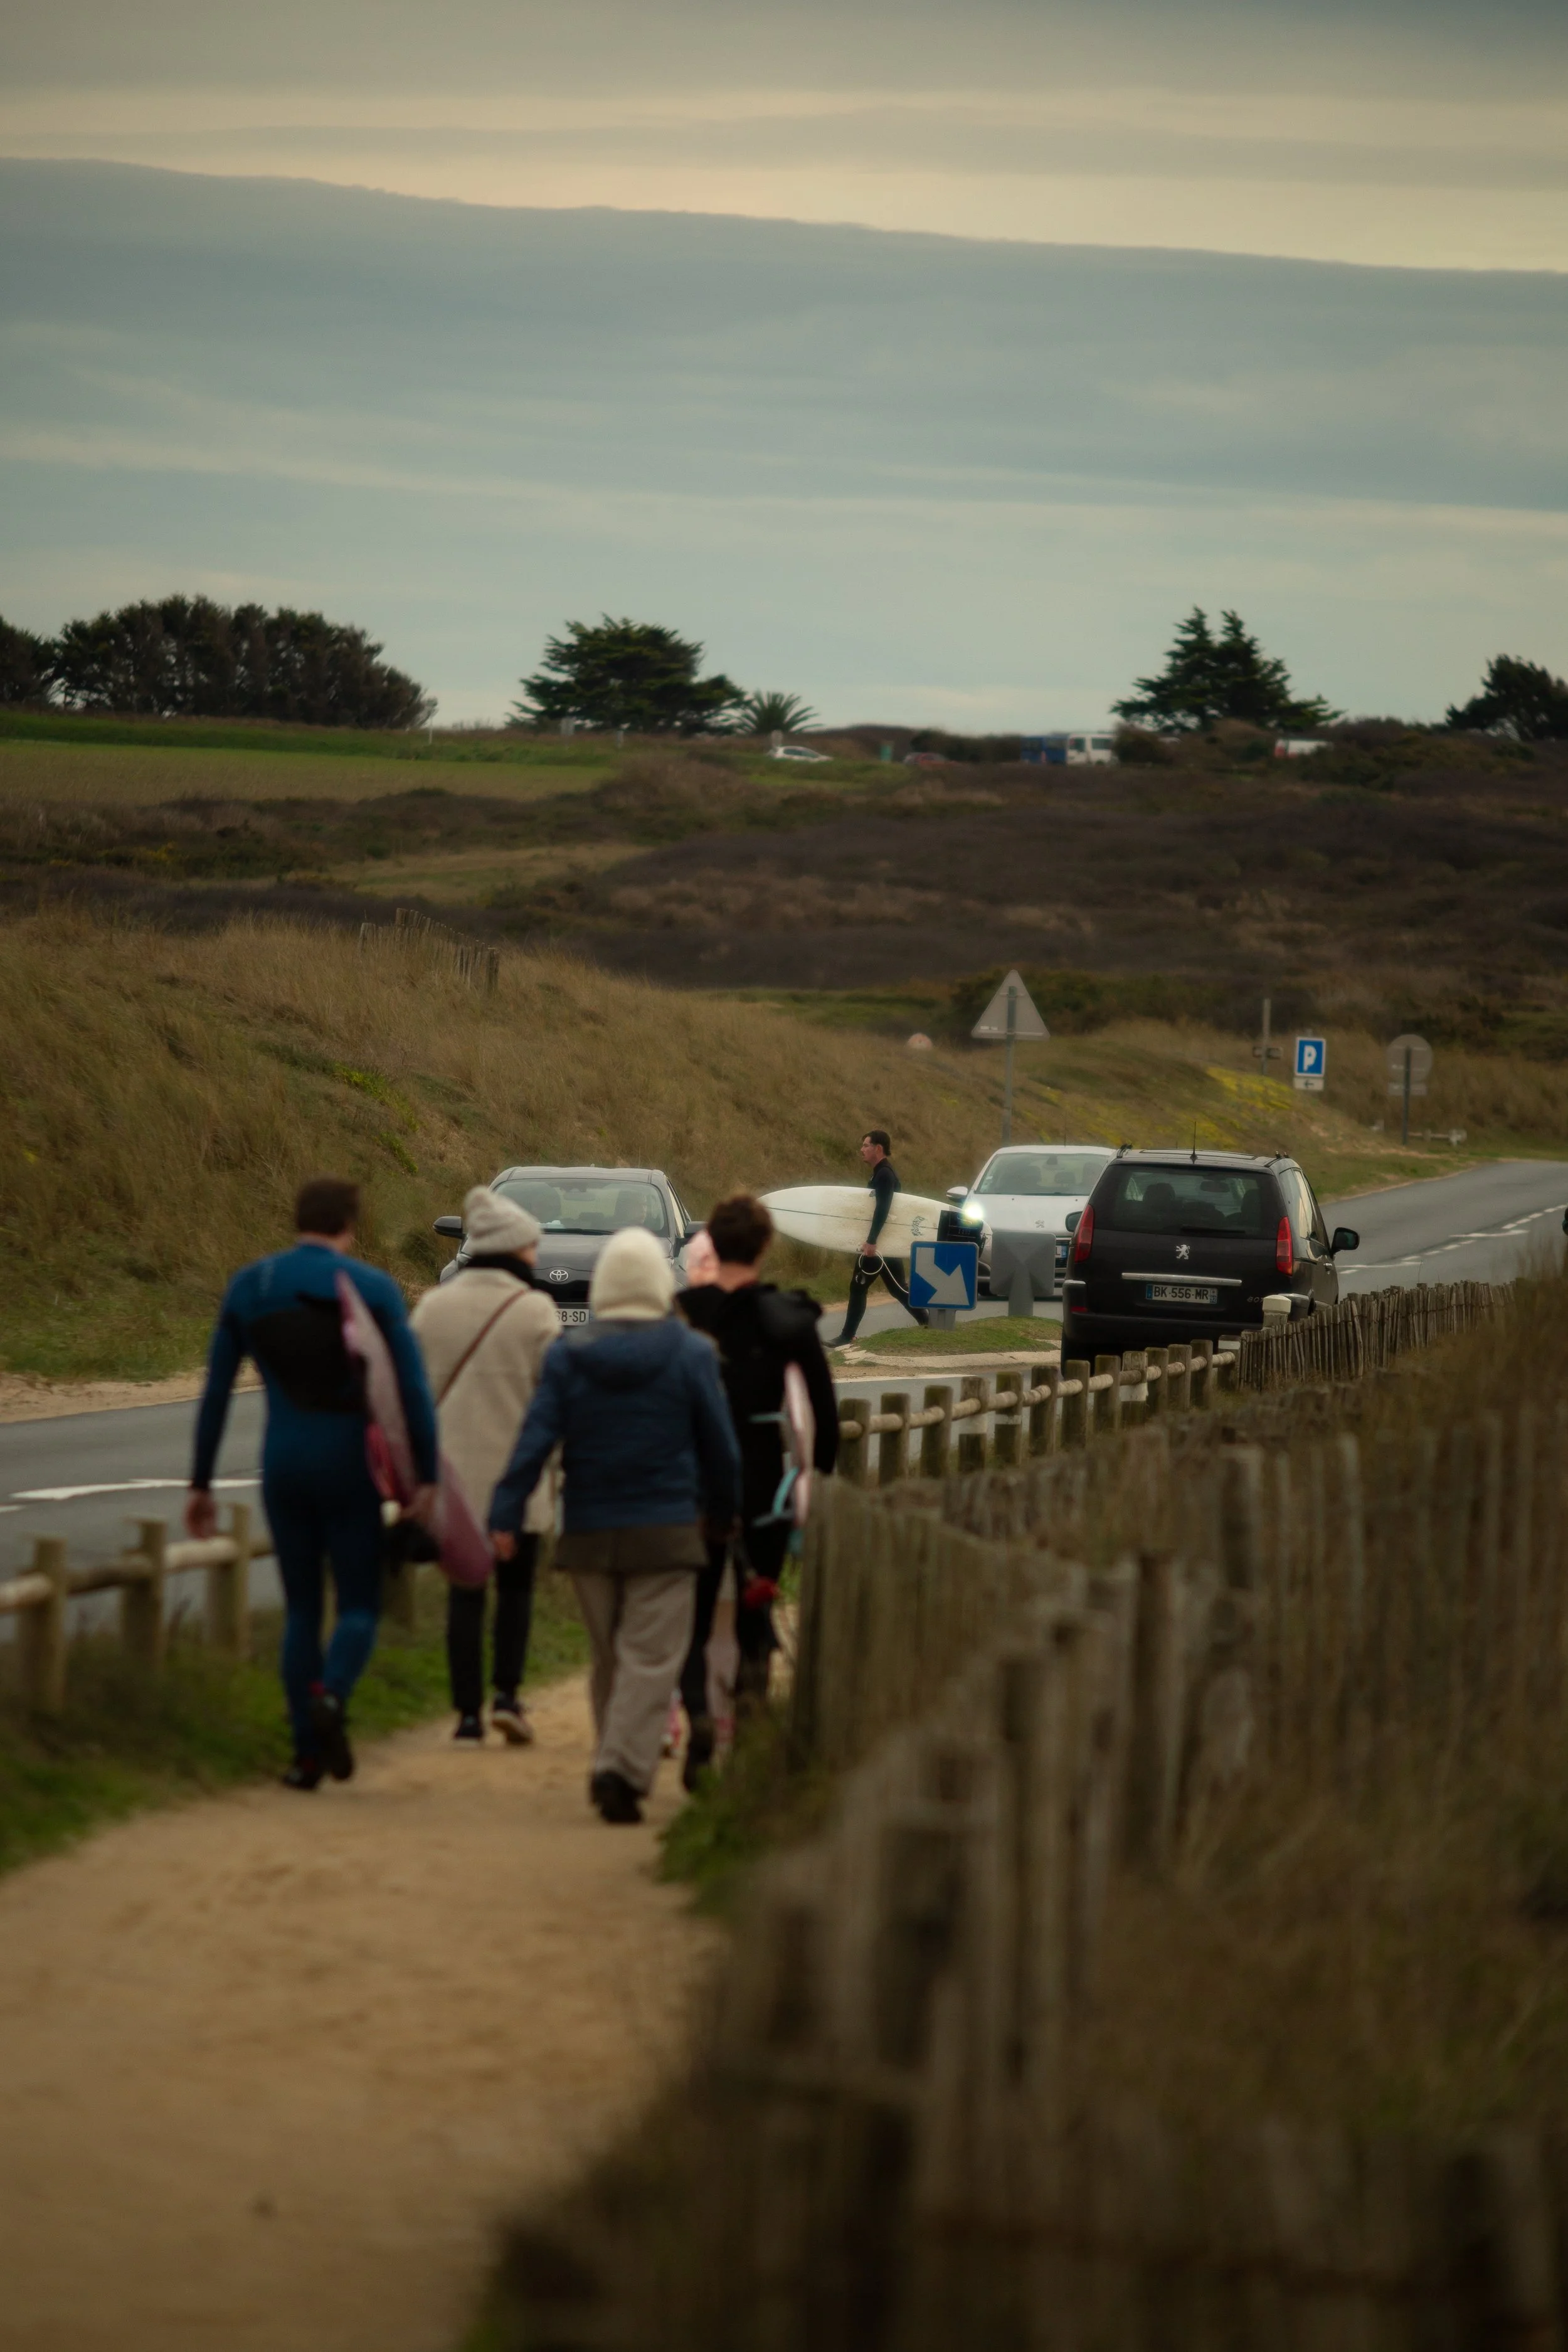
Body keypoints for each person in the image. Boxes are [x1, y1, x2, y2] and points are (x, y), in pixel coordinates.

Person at [186, 1176, 438, 1791]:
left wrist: (201, 1483)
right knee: (357, 1604)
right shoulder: (374, 1289)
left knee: (301, 1609)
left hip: (284, 1463)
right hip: (350, 1464)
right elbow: (412, 1391)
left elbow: (216, 1392)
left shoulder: (251, 1286)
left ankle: (304, 1757)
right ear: (350, 1226)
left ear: (297, 1218)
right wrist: (426, 1477)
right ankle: (333, 1696)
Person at [488, 1226, 741, 1825]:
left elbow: (534, 1440)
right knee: (651, 1660)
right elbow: (720, 1449)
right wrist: (725, 1513)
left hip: (590, 1529)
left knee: (610, 1659)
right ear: (661, 1284)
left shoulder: (568, 1355)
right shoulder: (692, 1354)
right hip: (669, 1527)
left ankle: (615, 1762)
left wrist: (505, 1512)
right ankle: (619, 1772)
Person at [676, 1194, 839, 1787]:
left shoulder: (682, 1313)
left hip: (692, 1483)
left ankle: (696, 1719)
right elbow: (822, 1415)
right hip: (764, 1484)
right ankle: (745, 1735)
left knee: (692, 1619)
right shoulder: (788, 1321)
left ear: (712, 1246)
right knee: (755, 1606)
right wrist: (813, 1487)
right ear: (766, 1246)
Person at [411, 1185, 560, 1747]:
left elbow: (416, 1399)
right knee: (517, 1592)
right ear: (514, 1248)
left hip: (454, 1484)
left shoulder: (432, 1308)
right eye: (530, 1247)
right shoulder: (536, 1311)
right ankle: (507, 1697)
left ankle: (467, 1716)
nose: (535, 1257)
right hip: (517, 1484)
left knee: (465, 1595)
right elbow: (553, 1401)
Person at [825, 1129, 930, 1347]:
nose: (861, 1150)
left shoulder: (885, 1175)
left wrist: (872, 1240)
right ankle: (929, 1324)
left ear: (878, 1148)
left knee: (867, 1288)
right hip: (884, 1243)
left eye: (866, 1145)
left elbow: (883, 1208)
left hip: (880, 1244)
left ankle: (847, 1336)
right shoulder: (880, 1173)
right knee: (896, 1289)